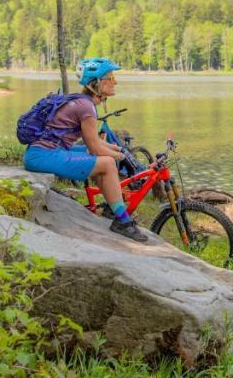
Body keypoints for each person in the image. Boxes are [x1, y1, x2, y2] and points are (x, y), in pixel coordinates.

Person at [22, 58, 148, 243]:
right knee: (106, 162)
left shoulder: (82, 102)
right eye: (110, 78)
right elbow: (95, 148)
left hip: (43, 152)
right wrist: (122, 156)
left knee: (105, 158)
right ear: (96, 83)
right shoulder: (87, 108)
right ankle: (122, 221)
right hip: (43, 156)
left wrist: (120, 150)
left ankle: (111, 208)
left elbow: (95, 142)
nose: (115, 82)